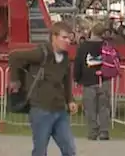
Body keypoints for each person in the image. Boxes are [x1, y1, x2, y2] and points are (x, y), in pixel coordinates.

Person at [9, 21, 78, 156]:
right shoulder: (41, 53)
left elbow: (66, 80)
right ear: (54, 37)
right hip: (41, 110)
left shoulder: (65, 58)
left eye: (69, 38)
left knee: (69, 149)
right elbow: (14, 56)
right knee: (40, 151)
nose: (67, 41)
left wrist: (70, 100)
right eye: (64, 37)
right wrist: (15, 80)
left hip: (59, 111)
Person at [72, 24, 116, 141]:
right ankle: (104, 131)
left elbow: (78, 63)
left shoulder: (83, 47)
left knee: (90, 108)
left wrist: (76, 78)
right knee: (104, 107)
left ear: (91, 32)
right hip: (104, 80)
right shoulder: (107, 46)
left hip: (88, 81)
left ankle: (92, 131)